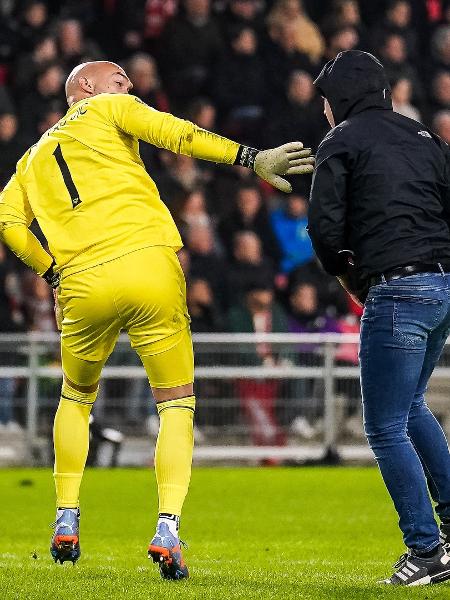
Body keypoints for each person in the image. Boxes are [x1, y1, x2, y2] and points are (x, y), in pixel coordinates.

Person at [0, 60, 313, 579]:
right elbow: (177, 133)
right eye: (117, 78)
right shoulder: (109, 108)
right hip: (147, 263)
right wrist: (251, 156)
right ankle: (167, 527)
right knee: (176, 401)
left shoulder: (30, 160)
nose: (128, 85)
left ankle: (66, 517)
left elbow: (9, 222)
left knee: (76, 397)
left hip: (81, 282)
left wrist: (51, 272)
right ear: (85, 88)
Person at [308, 49, 450, 586]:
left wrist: (349, 278)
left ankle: (427, 552)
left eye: (326, 101)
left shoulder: (340, 141)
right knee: (412, 407)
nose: (324, 112)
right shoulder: (425, 138)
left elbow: (325, 228)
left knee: (385, 426)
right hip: (442, 287)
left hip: (396, 287)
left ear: (340, 98)